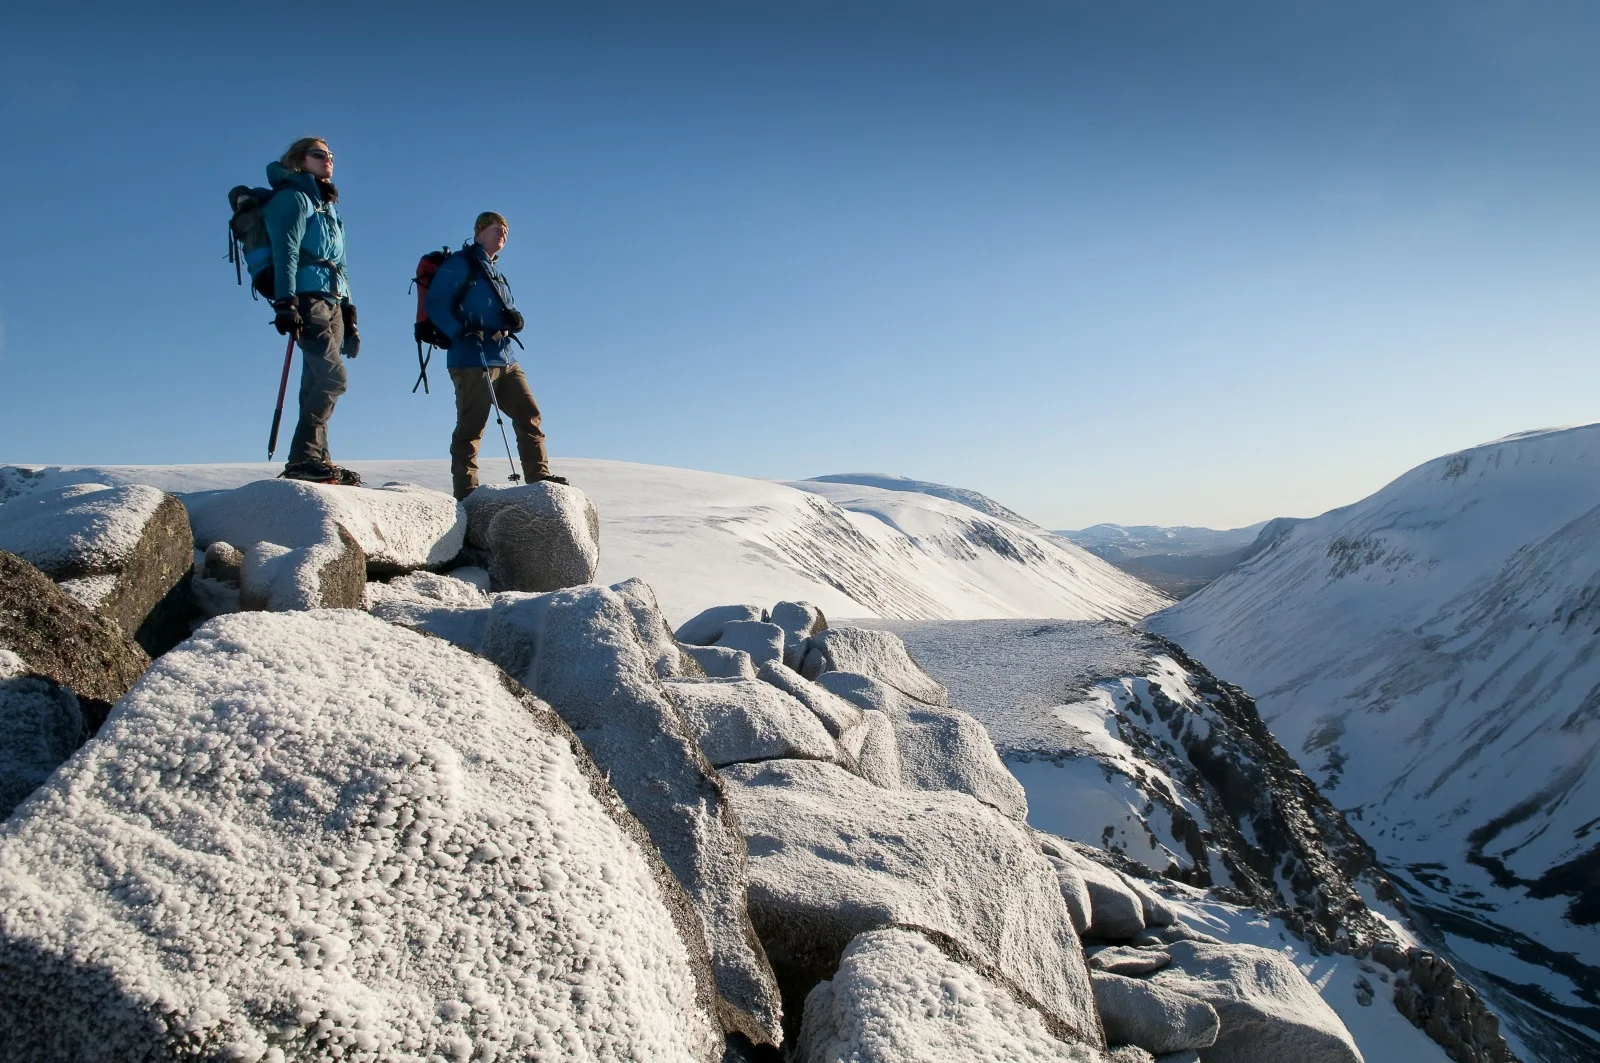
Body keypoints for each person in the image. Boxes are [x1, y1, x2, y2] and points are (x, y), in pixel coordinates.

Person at [427, 211, 565, 499]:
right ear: (479, 231)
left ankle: (539, 478)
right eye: (496, 228)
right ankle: (466, 494)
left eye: (505, 230)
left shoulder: (495, 272)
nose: (502, 233)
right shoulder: (460, 263)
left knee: (529, 414)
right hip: (471, 358)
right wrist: (460, 329)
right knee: (472, 426)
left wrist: (514, 319)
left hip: (505, 357)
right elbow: (436, 303)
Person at [264, 136, 361, 486]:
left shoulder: (329, 207)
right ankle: (303, 457)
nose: (328, 160)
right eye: (319, 154)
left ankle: (319, 460)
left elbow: (342, 263)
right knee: (333, 378)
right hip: (307, 298)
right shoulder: (292, 198)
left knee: (314, 382)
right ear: (299, 160)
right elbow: (285, 251)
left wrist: (350, 314)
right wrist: (285, 301)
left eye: (331, 155)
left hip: (332, 300)